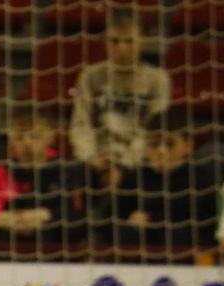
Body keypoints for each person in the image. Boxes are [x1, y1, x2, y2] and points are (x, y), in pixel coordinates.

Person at [67, 7, 170, 189]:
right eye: (114, 41)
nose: (122, 47)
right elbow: (80, 124)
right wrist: (91, 156)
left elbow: (154, 130)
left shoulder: (157, 79)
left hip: (137, 160)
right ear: (105, 42)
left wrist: (124, 164)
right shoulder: (91, 76)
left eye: (129, 41)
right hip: (96, 159)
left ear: (142, 41)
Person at [0, 104, 87, 245]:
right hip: (8, 245)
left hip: (57, 246)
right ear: (11, 140)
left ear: (50, 137)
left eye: (34, 136)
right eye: (19, 137)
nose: (26, 143)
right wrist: (20, 219)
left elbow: (75, 214)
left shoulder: (67, 171)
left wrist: (44, 215)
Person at [113, 109, 217, 251]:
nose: (161, 151)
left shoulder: (201, 178)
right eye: (154, 145)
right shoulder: (134, 177)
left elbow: (200, 222)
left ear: (188, 146)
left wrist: (150, 219)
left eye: (169, 144)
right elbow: (111, 216)